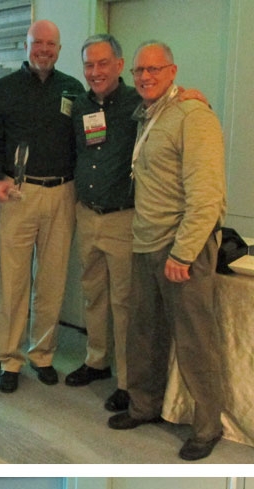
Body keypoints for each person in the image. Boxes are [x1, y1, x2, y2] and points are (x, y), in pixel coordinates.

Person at [108, 42, 226, 461]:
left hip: (181, 249)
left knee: (195, 342)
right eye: (139, 70)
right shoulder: (147, 113)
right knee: (144, 334)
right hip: (145, 242)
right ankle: (144, 406)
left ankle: (208, 426)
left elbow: (207, 196)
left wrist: (184, 253)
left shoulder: (194, 117)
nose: (145, 77)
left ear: (173, 72)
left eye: (155, 69)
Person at [0, 20, 84, 393]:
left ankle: (42, 355)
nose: (44, 49)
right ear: (26, 46)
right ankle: (9, 359)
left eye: (50, 44)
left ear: (59, 49)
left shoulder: (73, 89)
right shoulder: (4, 89)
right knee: (13, 281)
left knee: (52, 281)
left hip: (62, 192)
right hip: (19, 192)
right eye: (37, 42)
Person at [65, 35, 138, 412]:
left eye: (102, 63)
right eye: (89, 65)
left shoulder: (139, 103)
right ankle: (96, 360)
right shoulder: (79, 105)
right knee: (93, 294)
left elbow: (177, 106)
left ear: (119, 65)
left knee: (124, 302)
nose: (95, 72)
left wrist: (192, 96)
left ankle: (127, 381)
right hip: (87, 214)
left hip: (122, 218)